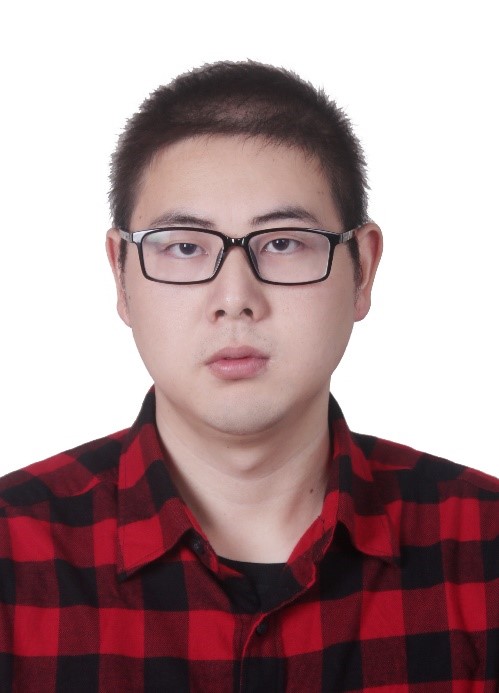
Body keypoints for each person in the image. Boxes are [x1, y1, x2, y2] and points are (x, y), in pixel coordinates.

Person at [0, 61, 497, 693]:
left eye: (284, 243)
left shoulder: (483, 545)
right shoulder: (12, 555)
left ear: (363, 269)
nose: (235, 298)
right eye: (185, 246)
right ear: (121, 274)